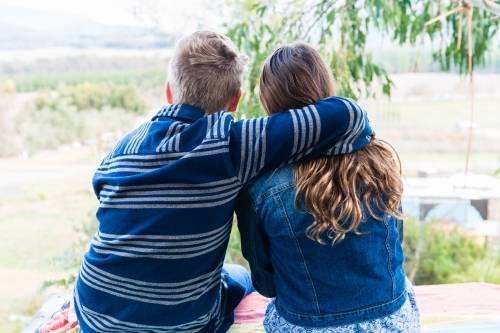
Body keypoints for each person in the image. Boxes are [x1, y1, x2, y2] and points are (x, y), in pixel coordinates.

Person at [73, 31, 374, 333]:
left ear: (169, 91)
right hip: (183, 327)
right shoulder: (229, 145)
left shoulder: (119, 151)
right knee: (239, 276)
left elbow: (102, 191)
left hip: (93, 313)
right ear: (235, 100)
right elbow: (347, 114)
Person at [235, 42, 421, 332]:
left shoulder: (260, 186)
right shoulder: (379, 160)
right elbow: (394, 248)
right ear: (326, 87)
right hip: (393, 323)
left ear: (270, 102)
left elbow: (266, 284)